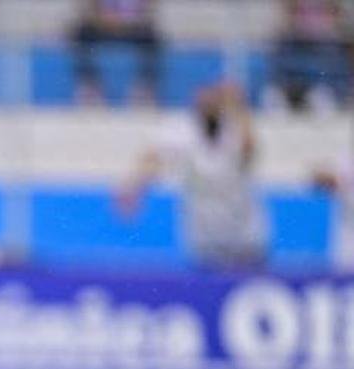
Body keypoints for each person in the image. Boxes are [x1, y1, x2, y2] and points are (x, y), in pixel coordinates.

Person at [118, 82, 266, 270]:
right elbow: (153, 157)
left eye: (214, 104)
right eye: (204, 104)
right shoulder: (184, 134)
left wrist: (239, 106)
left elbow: (249, 150)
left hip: (245, 233)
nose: (208, 108)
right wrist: (133, 185)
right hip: (204, 236)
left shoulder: (235, 131)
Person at [71, 0, 161, 106]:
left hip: (132, 27)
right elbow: (91, 9)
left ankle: (145, 86)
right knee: (83, 34)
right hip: (101, 26)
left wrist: (130, 21)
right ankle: (90, 85)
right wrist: (102, 20)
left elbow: (147, 9)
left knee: (150, 36)